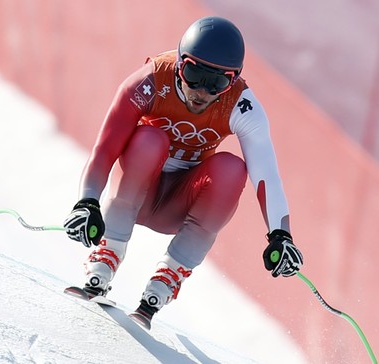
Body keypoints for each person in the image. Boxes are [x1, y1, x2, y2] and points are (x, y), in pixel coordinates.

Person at [63, 16, 304, 327]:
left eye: (217, 83)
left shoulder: (241, 105)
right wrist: (87, 201)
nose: (201, 92)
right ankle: (105, 259)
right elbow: (105, 149)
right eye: (193, 74)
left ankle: (166, 280)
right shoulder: (148, 82)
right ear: (178, 64)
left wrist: (281, 234)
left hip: (181, 206)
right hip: (135, 193)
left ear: (232, 81)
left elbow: (265, 173)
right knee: (149, 139)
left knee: (232, 168)